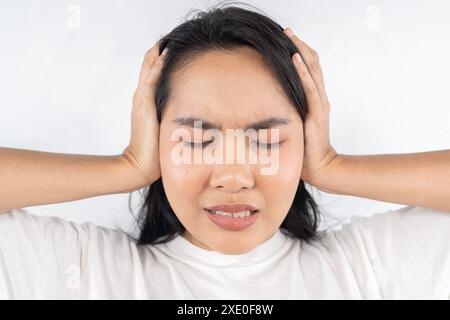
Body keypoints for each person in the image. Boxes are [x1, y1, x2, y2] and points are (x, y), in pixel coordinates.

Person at [0, 5, 449, 299]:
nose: (233, 177)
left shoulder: (370, 266)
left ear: (306, 139)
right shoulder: (80, 270)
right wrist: (130, 166)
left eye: (268, 140)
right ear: (155, 137)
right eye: (196, 140)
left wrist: (331, 166)